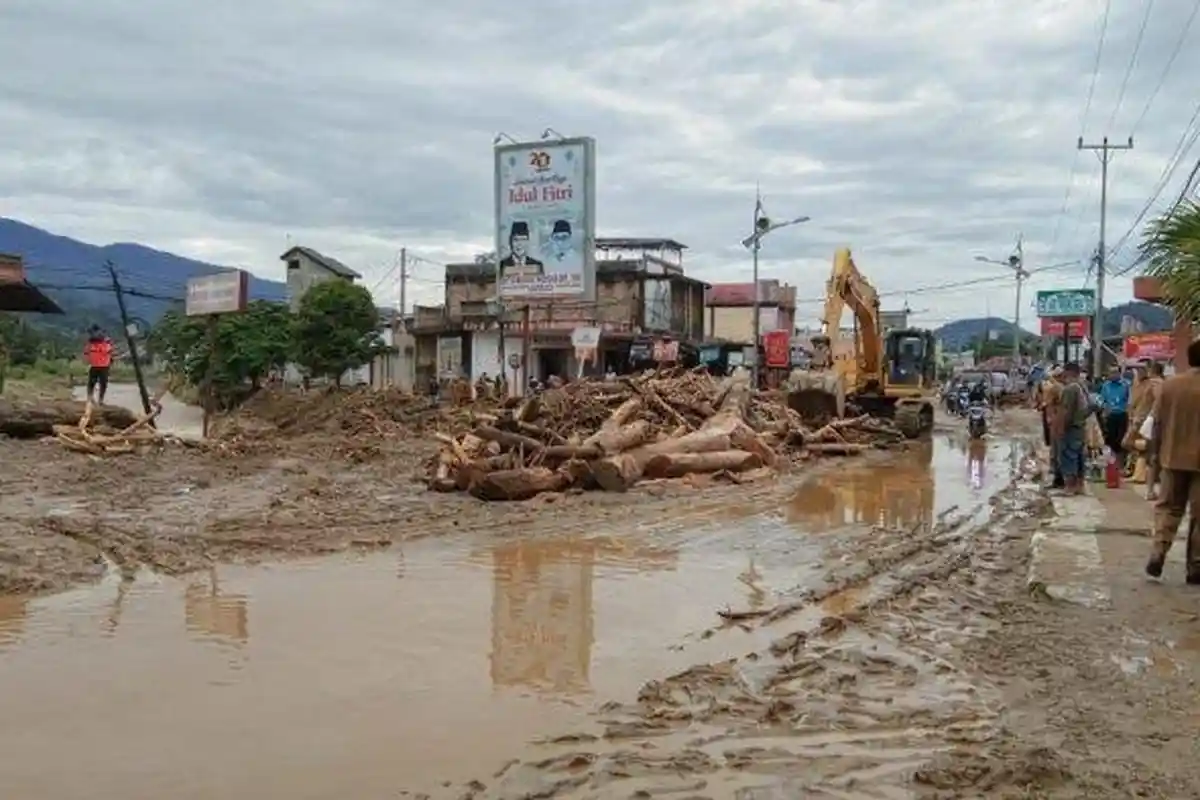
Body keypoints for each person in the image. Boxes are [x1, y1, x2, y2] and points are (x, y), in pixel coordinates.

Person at [1145, 338, 1200, 582]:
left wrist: (1154, 455)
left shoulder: (1170, 386)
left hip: (1171, 457)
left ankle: (1158, 552)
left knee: (1168, 508)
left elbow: (1156, 424)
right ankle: (1196, 567)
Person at [1053, 363, 1089, 495]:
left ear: (1069, 372)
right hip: (1080, 426)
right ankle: (1080, 485)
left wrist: (1061, 428)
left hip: (1071, 427)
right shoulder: (1082, 386)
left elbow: (1066, 411)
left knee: (1068, 455)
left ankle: (1070, 486)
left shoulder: (1070, 389)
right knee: (1079, 456)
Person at [1039, 367, 1065, 488]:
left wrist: (1049, 420)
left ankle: (1059, 478)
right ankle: (1060, 478)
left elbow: (1048, 405)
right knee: (1059, 450)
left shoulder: (1054, 388)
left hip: (1057, 422)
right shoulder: (1061, 388)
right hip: (1061, 422)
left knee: (1056, 450)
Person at [1098, 366, 1131, 458]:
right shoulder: (1106, 385)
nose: (1112, 374)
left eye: (1114, 372)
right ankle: (1112, 459)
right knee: (1110, 438)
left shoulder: (1126, 385)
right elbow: (1101, 399)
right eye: (1111, 372)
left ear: (1119, 373)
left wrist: (1128, 408)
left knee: (1121, 438)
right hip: (1110, 415)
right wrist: (1104, 407)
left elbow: (1130, 399)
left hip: (1122, 414)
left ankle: (1120, 459)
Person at [83, 325, 114, 404]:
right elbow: (86, 353)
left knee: (102, 384)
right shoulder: (90, 342)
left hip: (104, 365)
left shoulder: (106, 341)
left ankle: (100, 400)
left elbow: (110, 352)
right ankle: (90, 398)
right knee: (92, 383)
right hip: (95, 365)